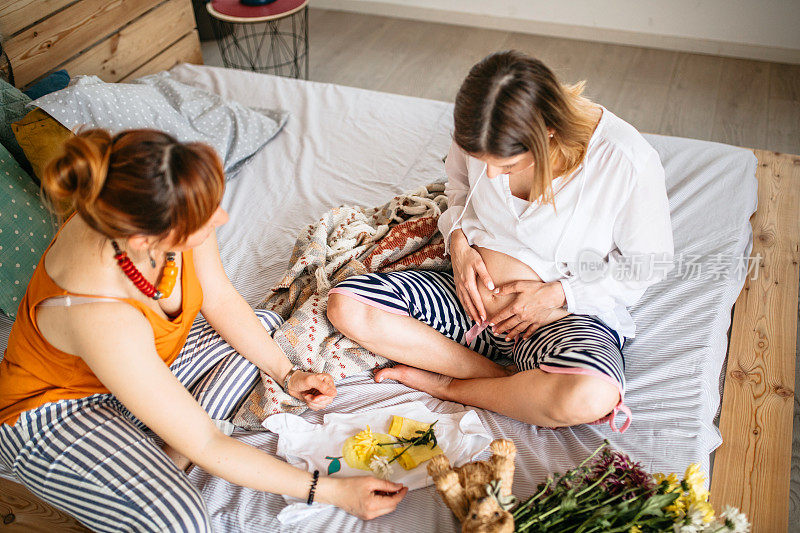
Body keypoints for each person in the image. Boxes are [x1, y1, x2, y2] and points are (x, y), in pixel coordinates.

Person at [0, 129, 407, 532]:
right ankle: (163, 462)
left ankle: (163, 453)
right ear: (146, 240)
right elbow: (208, 444)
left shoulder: (162, 206)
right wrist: (333, 492)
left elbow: (220, 299)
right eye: (206, 218)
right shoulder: (98, 313)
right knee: (181, 521)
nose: (222, 218)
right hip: (57, 411)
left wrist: (288, 373)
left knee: (263, 326)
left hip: (141, 365)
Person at [327, 50, 674, 434]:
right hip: (466, 303)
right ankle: (495, 376)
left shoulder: (624, 160)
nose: (490, 174)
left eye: (506, 166)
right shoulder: (481, 126)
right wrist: (457, 245)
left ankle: (453, 386)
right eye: (482, 160)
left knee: (589, 395)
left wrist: (558, 294)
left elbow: (650, 263)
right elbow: (457, 189)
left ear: (548, 133)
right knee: (347, 305)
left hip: (555, 320)